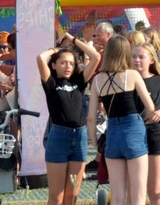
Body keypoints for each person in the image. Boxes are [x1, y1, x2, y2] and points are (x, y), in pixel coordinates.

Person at [88, 35, 155, 205]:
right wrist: (143, 120)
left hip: (112, 132)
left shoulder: (97, 80)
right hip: (133, 129)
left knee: (117, 196)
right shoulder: (131, 75)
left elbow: (91, 118)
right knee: (138, 195)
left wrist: (95, 143)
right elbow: (150, 107)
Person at [38, 32, 101, 205]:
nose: (68, 66)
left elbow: (96, 57)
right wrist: (55, 50)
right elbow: (40, 58)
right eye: (63, 63)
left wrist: (72, 39)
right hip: (59, 136)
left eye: (71, 63)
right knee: (56, 196)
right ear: (54, 65)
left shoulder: (79, 82)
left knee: (72, 194)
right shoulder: (51, 83)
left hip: (79, 136)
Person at [132, 43, 160, 205]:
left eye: (141, 57)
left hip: (153, 133)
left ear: (152, 60)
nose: (137, 60)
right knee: (133, 190)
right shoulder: (126, 80)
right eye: (134, 56)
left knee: (154, 189)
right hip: (132, 135)